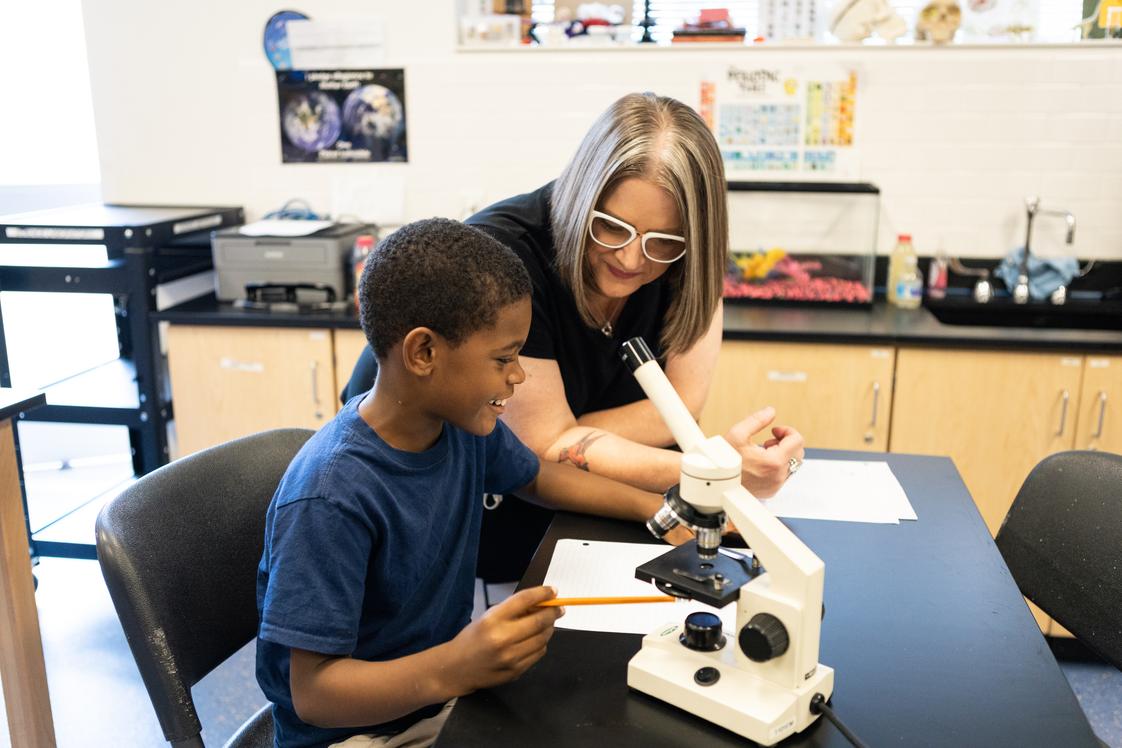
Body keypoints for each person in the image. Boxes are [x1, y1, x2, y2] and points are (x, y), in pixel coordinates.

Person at [341, 92, 806, 579]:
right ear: (584, 196)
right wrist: (713, 472)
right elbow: (541, 450)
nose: (630, 260)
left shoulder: (688, 260)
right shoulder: (507, 260)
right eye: (610, 228)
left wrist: (581, 439)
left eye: (662, 242)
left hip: (565, 490)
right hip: (437, 498)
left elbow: (677, 409)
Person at [257, 218, 679, 748]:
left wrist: (661, 512)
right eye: (504, 358)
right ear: (424, 353)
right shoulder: (331, 496)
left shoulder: (457, 425)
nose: (519, 376)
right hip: (356, 735)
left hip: (435, 698)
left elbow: (538, 478)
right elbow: (314, 694)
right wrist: (457, 666)